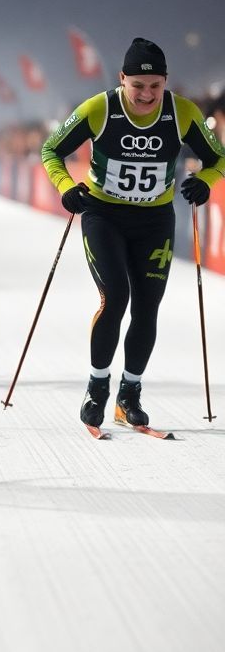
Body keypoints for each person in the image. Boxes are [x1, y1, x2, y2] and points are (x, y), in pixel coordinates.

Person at [41, 38, 225, 430]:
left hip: (154, 222)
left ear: (165, 83)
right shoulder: (99, 108)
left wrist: (206, 181)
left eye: (155, 86)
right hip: (103, 215)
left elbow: (218, 157)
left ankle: (129, 396)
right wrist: (65, 187)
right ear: (122, 79)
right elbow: (50, 150)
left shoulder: (183, 112)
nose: (146, 95)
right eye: (137, 86)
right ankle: (97, 387)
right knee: (116, 297)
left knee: (147, 306)